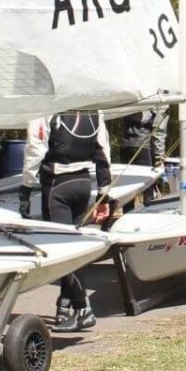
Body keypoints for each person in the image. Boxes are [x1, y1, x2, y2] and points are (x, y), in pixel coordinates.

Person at [21, 112, 110, 331]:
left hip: (57, 186)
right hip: (82, 183)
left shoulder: (45, 109)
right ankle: (65, 304)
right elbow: (103, 150)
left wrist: (25, 189)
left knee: (63, 253)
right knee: (73, 250)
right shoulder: (94, 111)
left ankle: (83, 309)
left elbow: (36, 149)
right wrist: (104, 194)